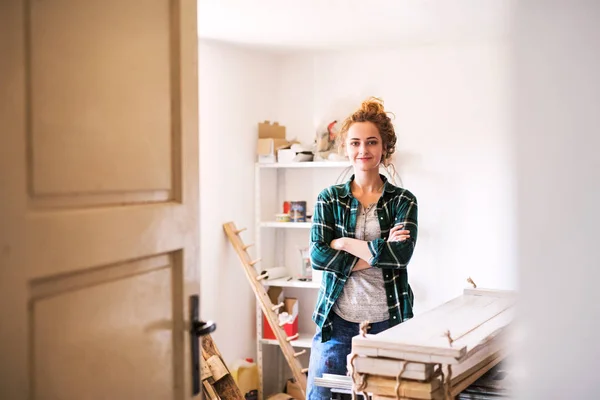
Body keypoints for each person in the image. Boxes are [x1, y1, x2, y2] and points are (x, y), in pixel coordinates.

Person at [306, 97, 419, 400]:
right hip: (337, 322)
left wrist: (344, 243)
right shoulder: (328, 199)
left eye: (371, 142)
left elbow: (402, 256)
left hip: (388, 321)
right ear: (346, 147)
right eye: (355, 143)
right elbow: (317, 256)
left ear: (384, 148)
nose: (363, 150)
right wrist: (379, 251)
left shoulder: (403, 200)